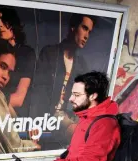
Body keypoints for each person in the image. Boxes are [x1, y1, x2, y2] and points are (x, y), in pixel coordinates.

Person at [29, 14, 96, 146]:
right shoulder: (50, 53)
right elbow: (38, 90)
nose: (87, 36)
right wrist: (33, 121)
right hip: (51, 115)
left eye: (89, 31)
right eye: (84, 28)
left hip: (70, 115)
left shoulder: (81, 65)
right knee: (80, 135)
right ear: (73, 27)